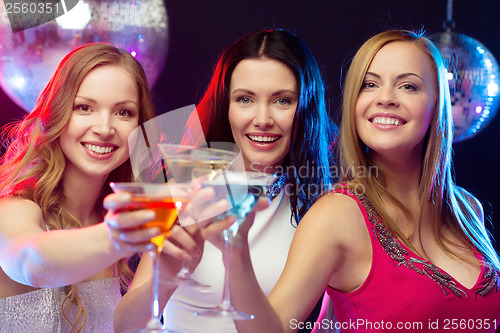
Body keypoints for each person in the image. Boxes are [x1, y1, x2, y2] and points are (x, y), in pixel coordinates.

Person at [201, 29, 500, 333]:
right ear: (354, 104)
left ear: (438, 103)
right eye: (369, 84)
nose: (385, 98)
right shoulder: (336, 214)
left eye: (408, 86)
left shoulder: (466, 209)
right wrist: (235, 256)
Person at [112, 28, 336, 332]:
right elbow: (125, 327)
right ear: (226, 106)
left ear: (306, 108)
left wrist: (236, 252)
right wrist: (164, 279)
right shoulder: (186, 188)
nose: (262, 119)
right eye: (245, 99)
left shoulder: (321, 210)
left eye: (282, 101)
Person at [0, 43, 158, 333]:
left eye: (123, 112)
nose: (104, 127)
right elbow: (32, 262)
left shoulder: (104, 217)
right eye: (84, 107)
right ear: (56, 113)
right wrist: (127, 233)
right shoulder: (14, 207)